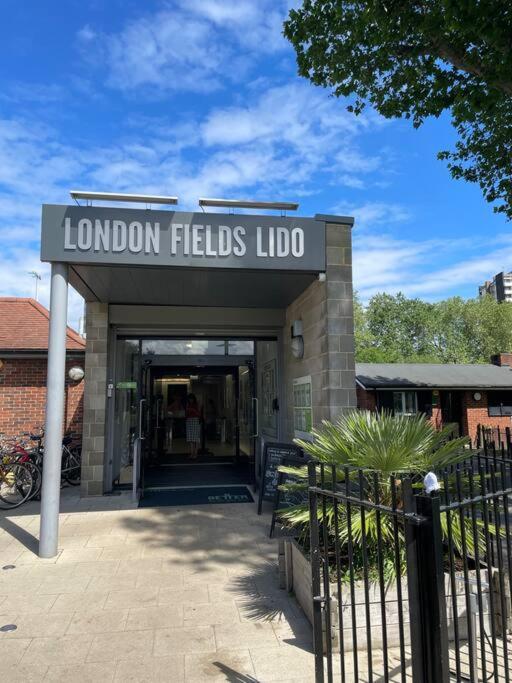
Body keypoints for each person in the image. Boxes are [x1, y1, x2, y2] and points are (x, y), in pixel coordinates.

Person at [185, 393, 201, 459]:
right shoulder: (188, 405)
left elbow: (199, 414)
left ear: (194, 399)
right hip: (189, 420)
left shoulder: (196, 404)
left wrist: (193, 410)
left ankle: (195, 453)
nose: (190, 400)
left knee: (195, 438)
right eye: (189, 399)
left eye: (191, 399)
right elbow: (186, 413)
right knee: (190, 438)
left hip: (195, 420)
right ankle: (192, 453)